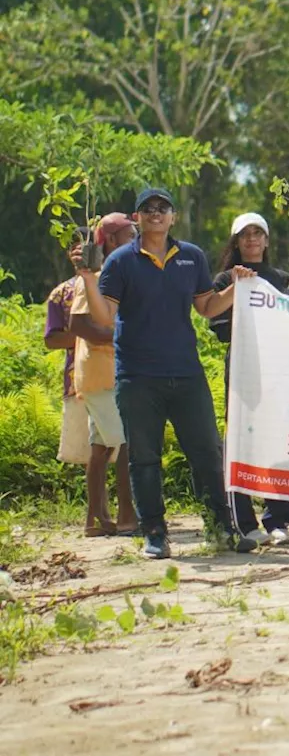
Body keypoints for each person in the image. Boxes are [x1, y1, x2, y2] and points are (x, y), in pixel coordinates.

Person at [77, 188, 258, 558]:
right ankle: (155, 533)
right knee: (144, 457)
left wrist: (236, 289)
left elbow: (207, 307)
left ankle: (221, 527)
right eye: (148, 209)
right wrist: (88, 278)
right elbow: (105, 318)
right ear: (137, 217)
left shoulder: (191, 257)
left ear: (173, 216)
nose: (156, 214)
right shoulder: (120, 262)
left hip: (187, 373)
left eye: (163, 208)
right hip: (138, 376)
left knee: (207, 452)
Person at [209, 213, 289, 547]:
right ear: (236, 242)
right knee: (241, 440)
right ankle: (244, 522)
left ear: (267, 240)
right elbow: (218, 330)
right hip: (243, 369)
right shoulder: (224, 279)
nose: (251, 239)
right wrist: (237, 289)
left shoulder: (282, 278)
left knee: (276, 440)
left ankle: (278, 518)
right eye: (244, 234)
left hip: (277, 370)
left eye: (257, 233)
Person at [68, 214, 136, 537]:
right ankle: (127, 516)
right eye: (129, 234)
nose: (135, 239)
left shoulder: (120, 272)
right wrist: (120, 336)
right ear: (110, 240)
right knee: (125, 442)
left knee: (101, 447)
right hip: (100, 373)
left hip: (109, 372)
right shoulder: (95, 276)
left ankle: (94, 521)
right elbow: (78, 325)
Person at [47, 231, 92, 471]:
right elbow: (51, 339)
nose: (81, 251)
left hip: (119, 374)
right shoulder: (61, 293)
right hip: (79, 380)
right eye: (76, 247)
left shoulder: (111, 284)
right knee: (88, 451)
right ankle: (99, 505)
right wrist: (89, 335)